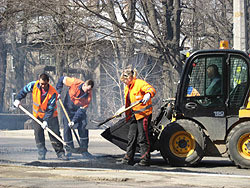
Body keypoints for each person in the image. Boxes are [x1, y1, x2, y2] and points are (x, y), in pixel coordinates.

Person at [13, 73, 68, 160]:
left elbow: (50, 109)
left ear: (48, 82)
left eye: (44, 84)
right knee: (38, 134)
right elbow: (24, 91)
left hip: (51, 116)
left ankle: (60, 153)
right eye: (41, 83)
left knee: (54, 134)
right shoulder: (34, 85)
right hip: (37, 116)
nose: (42, 86)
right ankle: (41, 152)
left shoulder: (53, 93)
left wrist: (46, 121)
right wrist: (18, 99)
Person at [117, 67, 156, 166]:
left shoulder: (139, 83)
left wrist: (148, 94)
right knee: (131, 137)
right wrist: (122, 109)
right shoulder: (127, 88)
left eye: (125, 80)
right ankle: (128, 158)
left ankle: (145, 160)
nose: (124, 82)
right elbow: (130, 103)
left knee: (142, 137)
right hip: (134, 114)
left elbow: (152, 89)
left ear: (129, 77)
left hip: (144, 114)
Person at [56, 76, 94, 159]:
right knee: (66, 129)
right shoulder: (74, 82)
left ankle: (84, 150)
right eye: (87, 90)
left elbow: (82, 110)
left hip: (79, 112)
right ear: (84, 85)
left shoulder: (89, 96)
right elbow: (62, 79)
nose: (88, 92)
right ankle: (69, 150)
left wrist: (73, 121)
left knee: (83, 126)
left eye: (90, 90)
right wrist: (58, 92)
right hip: (68, 109)